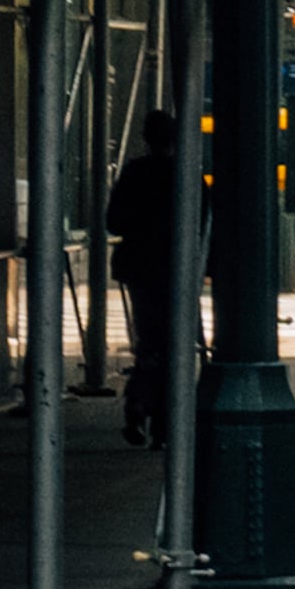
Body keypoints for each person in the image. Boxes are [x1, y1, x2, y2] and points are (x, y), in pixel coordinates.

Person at [103, 110, 191, 446]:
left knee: (149, 341)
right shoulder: (184, 175)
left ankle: (138, 403)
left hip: (140, 268)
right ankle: (163, 421)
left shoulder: (134, 173)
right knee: (173, 345)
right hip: (175, 270)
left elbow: (114, 221)